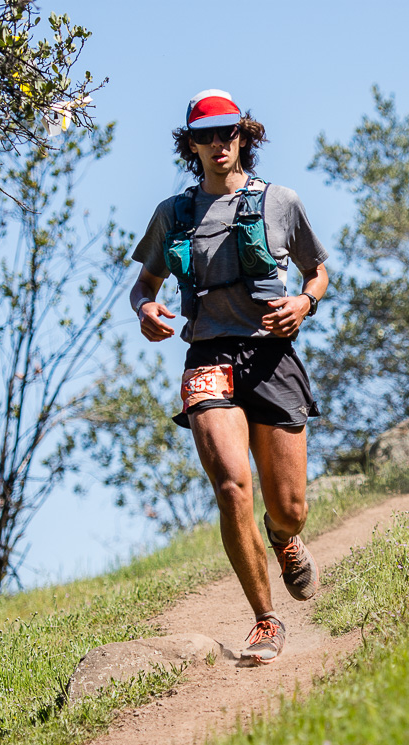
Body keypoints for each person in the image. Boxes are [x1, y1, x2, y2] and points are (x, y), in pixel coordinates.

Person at [128, 89, 329, 664]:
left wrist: (305, 305)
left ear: (245, 136)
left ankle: (285, 538)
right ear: (190, 144)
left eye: (229, 132)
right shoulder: (175, 214)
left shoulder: (280, 202)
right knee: (231, 485)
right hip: (208, 359)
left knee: (289, 506)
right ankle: (265, 619)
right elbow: (146, 283)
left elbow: (317, 272)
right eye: (206, 135)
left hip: (271, 355)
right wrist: (145, 308)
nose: (219, 144)